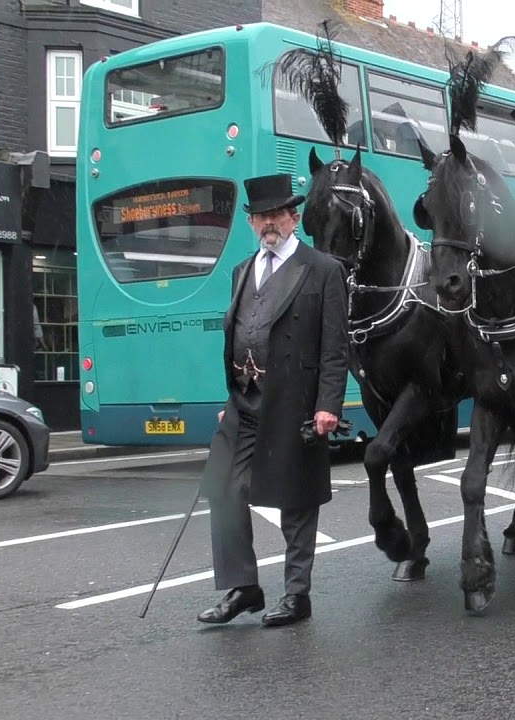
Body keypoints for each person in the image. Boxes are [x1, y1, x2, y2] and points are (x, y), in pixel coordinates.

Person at [197, 174, 349, 627]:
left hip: (296, 401)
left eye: (275, 215)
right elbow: (239, 334)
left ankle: (297, 595)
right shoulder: (242, 271)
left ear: (293, 217)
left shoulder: (323, 269)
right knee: (223, 488)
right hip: (244, 400)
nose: (267, 223)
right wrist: (231, 394)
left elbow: (335, 347)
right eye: (259, 216)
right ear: (251, 221)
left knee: (295, 499)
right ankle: (243, 587)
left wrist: (329, 405)